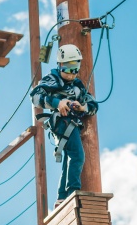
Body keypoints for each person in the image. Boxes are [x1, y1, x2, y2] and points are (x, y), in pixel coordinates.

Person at [30, 44, 98, 208]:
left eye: (75, 68)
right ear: (59, 65)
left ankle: (62, 196)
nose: (71, 73)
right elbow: (36, 96)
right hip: (61, 122)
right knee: (77, 155)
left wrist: (82, 107)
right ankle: (73, 191)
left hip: (72, 123)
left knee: (70, 157)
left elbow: (93, 105)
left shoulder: (77, 86)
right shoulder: (52, 79)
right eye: (68, 68)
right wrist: (57, 102)